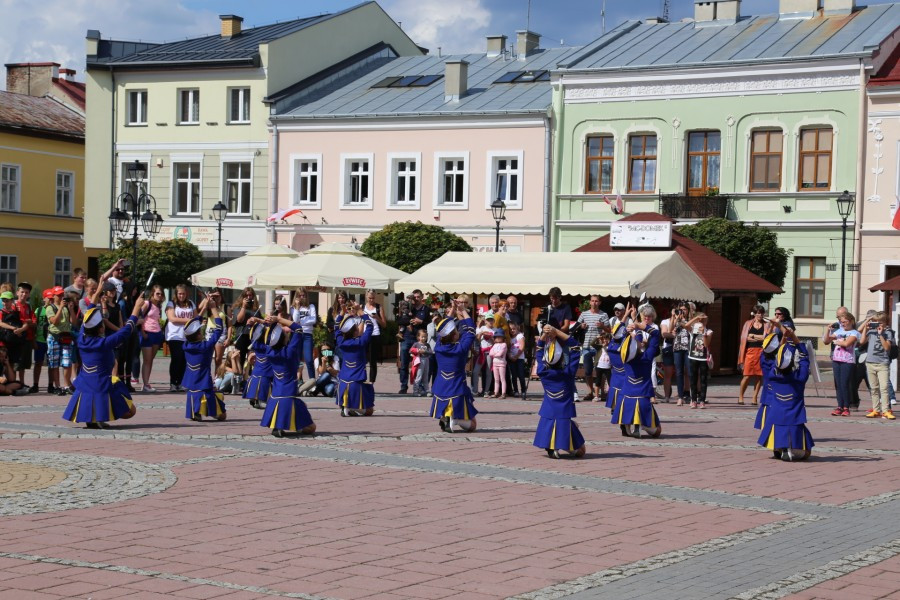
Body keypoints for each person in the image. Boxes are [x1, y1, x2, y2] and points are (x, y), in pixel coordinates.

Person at [61, 288, 142, 428]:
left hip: (85, 383)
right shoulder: (103, 343)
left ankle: (93, 418)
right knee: (130, 411)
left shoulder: (82, 338)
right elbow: (126, 331)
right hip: (102, 385)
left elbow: (88, 317)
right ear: (100, 329)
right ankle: (98, 417)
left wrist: (97, 293)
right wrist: (136, 308)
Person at [251, 314, 316, 438]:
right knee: (311, 428)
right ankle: (290, 424)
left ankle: (279, 425)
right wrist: (279, 319)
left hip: (274, 397)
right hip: (289, 395)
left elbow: (267, 337)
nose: (287, 334)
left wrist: (264, 321)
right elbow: (298, 329)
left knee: (301, 405)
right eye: (285, 334)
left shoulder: (269, 351)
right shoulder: (290, 351)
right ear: (283, 338)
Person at [757, 332, 814, 461]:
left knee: (777, 429)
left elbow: (776, 359)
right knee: (807, 453)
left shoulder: (772, 375)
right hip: (794, 418)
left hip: (777, 416)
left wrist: (783, 342)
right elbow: (805, 358)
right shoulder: (800, 378)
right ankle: (791, 451)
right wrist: (797, 341)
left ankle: (779, 449)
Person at [534, 323, 586, 459]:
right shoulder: (568, 373)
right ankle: (562, 442)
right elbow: (575, 347)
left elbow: (539, 349)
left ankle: (551, 446)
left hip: (548, 414)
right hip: (564, 415)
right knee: (581, 451)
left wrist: (545, 334)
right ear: (562, 358)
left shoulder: (542, 372)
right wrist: (556, 331)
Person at [613, 304, 662, 438]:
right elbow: (656, 335)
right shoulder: (647, 357)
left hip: (626, 396)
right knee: (658, 431)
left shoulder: (626, 358)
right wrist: (640, 326)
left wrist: (628, 321)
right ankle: (643, 424)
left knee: (627, 400)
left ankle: (628, 425)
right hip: (643, 398)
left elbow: (617, 335)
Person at [430, 300, 478, 433]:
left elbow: (443, 328)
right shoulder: (460, 347)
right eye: (456, 330)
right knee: (473, 425)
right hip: (457, 389)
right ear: (454, 334)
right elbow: (471, 329)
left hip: (441, 388)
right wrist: (462, 310)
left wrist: (452, 310)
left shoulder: (439, 346)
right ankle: (454, 419)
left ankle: (447, 416)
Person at [181, 297, 227, 422]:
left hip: (192, 384)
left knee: (195, 395)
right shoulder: (205, 346)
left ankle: (195, 412)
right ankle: (207, 411)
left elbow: (192, 325)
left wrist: (203, 309)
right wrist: (213, 308)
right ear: (199, 334)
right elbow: (219, 329)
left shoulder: (185, 345)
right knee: (223, 416)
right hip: (204, 385)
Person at [335, 304, 375, 416]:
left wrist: (342, 313)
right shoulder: (360, 342)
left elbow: (336, 327)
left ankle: (346, 406)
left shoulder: (341, 343)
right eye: (357, 327)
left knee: (346, 395)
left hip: (343, 383)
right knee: (369, 411)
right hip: (356, 383)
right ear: (355, 332)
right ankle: (350, 408)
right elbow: (370, 326)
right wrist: (360, 311)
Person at [574, 294, 609, 402]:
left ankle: (602, 392)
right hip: (586, 346)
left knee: (601, 370)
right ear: (589, 302)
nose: (594, 303)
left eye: (596, 301)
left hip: (599, 346)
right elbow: (576, 327)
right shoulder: (584, 314)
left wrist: (602, 326)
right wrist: (581, 326)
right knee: (588, 371)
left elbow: (609, 330)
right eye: (592, 301)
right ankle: (590, 392)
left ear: (599, 303)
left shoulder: (604, 314)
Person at [822, 310, 858, 417]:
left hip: (847, 360)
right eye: (841, 322)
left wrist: (838, 341)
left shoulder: (854, 333)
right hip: (836, 359)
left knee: (844, 384)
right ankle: (839, 406)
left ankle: (846, 407)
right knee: (838, 385)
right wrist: (828, 331)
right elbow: (826, 341)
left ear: (851, 321)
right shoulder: (838, 331)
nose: (843, 324)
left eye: (845, 321)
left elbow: (847, 343)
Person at [861, 311, 895, 420]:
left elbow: (887, 347)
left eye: (880, 322)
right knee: (873, 388)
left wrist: (880, 335)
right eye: (875, 322)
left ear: (885, 323)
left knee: (884, 388)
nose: (877, 324)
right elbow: (861, 341)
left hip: (882, 364)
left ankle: (885, 411)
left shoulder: (888, 332)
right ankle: (876, 410)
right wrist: (866, 326)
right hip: (870, 362)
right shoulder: (871, 331)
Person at [738, 305, 773, 406]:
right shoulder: (748, 324)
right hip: (750, 352)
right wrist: (759, 337)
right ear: (754, 313)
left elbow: (767, 338)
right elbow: (745, 338)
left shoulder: (767, 325)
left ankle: (754, 398)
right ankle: (741, 396)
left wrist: (753, 336)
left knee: (759, 376)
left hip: (762, 352)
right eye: (757, 313)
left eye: (761, 313)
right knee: (747, 375)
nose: (760, 315)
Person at [165, 284, 197, 392]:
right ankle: (174, 382)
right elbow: (172, 318)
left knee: (185, 360)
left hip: (187, 336)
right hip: (175, 335)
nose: (181, 296)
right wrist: (189, 320)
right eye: (179, 294)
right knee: (176, 358)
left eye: (183, 294)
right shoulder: (171, 304)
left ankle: (182, 382)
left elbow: (196, 317)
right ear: (176, 294)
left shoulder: (191, 303)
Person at [46, 286, 76, 395]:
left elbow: (74, 322)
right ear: (53, 296)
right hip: (54, 336)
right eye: (58, 295)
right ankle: (57, 386)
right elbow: (54, 321)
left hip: (66, 336)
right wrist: (60, 308)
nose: (60, 297)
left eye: (61, 295)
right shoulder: (50, 307)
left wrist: (71, 309)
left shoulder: (66, 307)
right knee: (54, 363)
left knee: (67, 362)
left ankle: (66, 385)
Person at [396, 289, 428, 394]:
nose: (416, 299)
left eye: (418, 297)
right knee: (404, 363)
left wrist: (421, 321)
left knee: (420, 364)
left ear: (422, 297)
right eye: (414, 297)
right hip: (407, 337)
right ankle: (403, 386)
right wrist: (409, 320)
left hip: (419, 339)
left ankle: (419, 386)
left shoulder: (425, 309)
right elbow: (400, 321)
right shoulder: (408, 308)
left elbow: (429, 322)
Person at [139, 284, 165, 392]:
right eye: (157, 293)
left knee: (151, 360)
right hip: (147, 333)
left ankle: (147, 383)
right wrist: (142, 332)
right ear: (152, 294)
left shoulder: (159, 306)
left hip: (157, 333)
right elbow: (139, 317)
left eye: (161, 294)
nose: (159, 295)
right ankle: (145, 384)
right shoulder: (146, 303)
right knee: (147, 360)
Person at [754, 331, 781, 432]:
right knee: (771, 405)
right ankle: (770, 426)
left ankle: (767, 426)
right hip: (773, 385)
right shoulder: (771, 360)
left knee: (768, 404)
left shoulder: (763, 355)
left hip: (768, 385)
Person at [686, 312, 713, 409]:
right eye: (701, 320)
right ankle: (693, 400)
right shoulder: (693, 329)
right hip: (693, 357)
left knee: (703, 379)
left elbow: (706, 344)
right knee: (693, 379)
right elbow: (686, 325)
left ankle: (702, 400)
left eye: (705, 319)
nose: (703, 321)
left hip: (703, 358)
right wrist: (696, 318)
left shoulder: (709, 331)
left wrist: (704, 333)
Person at [244, 323, 272, 409]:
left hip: (257, 369)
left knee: (255, 379)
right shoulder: (268, 346)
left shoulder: (254, 343)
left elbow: (251, 333)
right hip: (266, 369)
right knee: (265, 381)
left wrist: (250, 325)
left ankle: (254, 397)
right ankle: (260, 399)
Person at [30, 289, 53, 393]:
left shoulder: (54, 309)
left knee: (51, 364)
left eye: (52, 298)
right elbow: (34, 326)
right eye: (49, 298)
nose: (51, 300)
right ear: (44, 299)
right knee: (38, 363)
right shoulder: (39, 310)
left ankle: (50, 385)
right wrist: (33, 340)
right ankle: (35, 384)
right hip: (40, 340)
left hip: (51, 340)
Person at [12, 282, 34, 388]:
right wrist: (27, 322)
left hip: (27, 337)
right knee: (16, 362)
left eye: (26, 292)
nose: (24, 294)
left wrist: (28, 322)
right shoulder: (13, 305)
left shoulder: (28, 306)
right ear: (17, 293)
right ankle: (13, 382)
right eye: (22, 292)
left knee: (24, 363)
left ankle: (21, 382)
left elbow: (34, 321)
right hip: (16, 338)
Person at [231, 287, 259, 370]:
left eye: (250, 295)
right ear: (243, 296)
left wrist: (256, 320)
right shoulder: (238, 307)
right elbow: (239, 320)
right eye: (247, 295)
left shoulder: (255, 308)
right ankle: (239, 379)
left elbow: (259, 320)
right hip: (241, 335)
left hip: (253, 336)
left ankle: (249, 378)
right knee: (240, 359)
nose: (249, 297)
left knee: (252, 359)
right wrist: (243, 306)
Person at [362, 290, 386, 384]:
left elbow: (384, 324)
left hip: (375, 334)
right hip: (364, 334)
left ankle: (372, 381)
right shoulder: (362, 307)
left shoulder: (379, 307)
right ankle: (362, 379)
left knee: (372, 360)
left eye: (373, 298)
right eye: (369, 298)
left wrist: (377, 318)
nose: (371, 300)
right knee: (362, 359)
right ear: (366, 297)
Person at [605, 320, 627, 414]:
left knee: (614, 388)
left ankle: (614, 407)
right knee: (621, 388)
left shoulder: (611, 343)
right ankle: (619, 407)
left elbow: (619, 329)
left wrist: (625, 318)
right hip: (622, 370)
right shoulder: (623, 344)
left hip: (616, 371)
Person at [471, 314, 494, 396]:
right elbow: (477, 339)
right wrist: (482, 333)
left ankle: (486, 391)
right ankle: (475, 390)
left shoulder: (495, 330)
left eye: (491, 320)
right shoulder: (482, 328)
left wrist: (491, 337)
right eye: (488, 320)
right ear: (485, 321)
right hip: (481, 352)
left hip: (490, 352)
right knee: (475, 371)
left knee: (488, 372)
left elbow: (497, 342)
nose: (490, 321)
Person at [508, 321, 526, 399]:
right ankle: (515, 390)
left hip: (519, 358)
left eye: (513, 329)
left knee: (521, 376)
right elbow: (508, 349)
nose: (512, 330)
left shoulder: (520, 336)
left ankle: (523, 390)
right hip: (512, 359)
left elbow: (522, 347)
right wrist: (510, 356)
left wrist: (516, 356)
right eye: (510, 329)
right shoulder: (509, 338)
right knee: (513, 376)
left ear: (517, 328)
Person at [411, 329, 432, 397]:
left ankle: (426, 390)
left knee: (426, 376)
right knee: (419, 376)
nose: (423, 338)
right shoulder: (416, 344)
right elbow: (411, 350)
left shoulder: (427, 345)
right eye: (422, 337)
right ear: (418, 337)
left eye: (425, 337)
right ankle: (415, 390)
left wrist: (425, 352)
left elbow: (430, 352)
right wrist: (418, 351)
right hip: (419, 361)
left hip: (426, 360)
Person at [593, 331, 612, 404]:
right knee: (598, 381)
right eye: (603, 339)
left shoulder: (610, 346)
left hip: (608, 367)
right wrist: (597, 338)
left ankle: (610, 396)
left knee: (610, 382)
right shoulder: (599, 347)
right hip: (599, 366)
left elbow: (609, 350)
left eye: (606, 339)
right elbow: (592, 344)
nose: (605, 340)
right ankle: (596, 396)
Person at [488, 328, 508, 399]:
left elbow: (500, 354)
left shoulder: (504, 345)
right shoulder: (494, 345)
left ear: (503, 338)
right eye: (496, 337)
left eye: (500, 337)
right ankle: (496, 392)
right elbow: (490, 353)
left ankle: (503, 393)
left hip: (502, 363)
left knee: (502, 378)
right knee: (496, 379)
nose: (498, 338)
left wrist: (494, 354)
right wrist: (495, 354)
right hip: (495, 363)